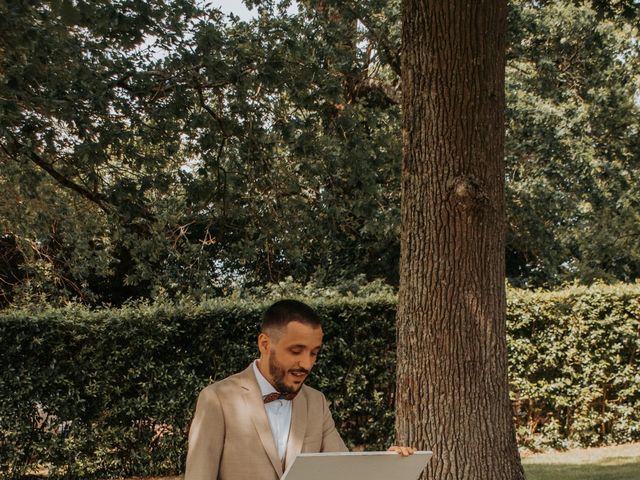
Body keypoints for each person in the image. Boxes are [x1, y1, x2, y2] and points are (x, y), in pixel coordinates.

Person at [184, 299, 415, 480]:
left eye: (314, 353)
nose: (306, 364)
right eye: (296, 351)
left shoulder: (316, 402)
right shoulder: (216, 399)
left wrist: (387, 466)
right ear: (265, 344)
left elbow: (343, 470)